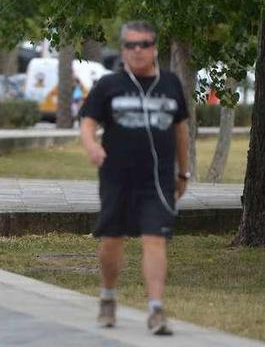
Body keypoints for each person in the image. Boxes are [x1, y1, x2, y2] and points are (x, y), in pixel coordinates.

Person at [79, 20, 190, 335]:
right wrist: (92, 146)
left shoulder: (170, 84)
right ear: (123, 49)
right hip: (116, 178)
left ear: (154, 48)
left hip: (157, 180)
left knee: (155, 239)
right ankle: (108, 296)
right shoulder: (109, 85)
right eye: (130, 45)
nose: (137, 50)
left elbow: (180, 129)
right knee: (112, 239)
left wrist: (184, 172)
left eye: (144, 44)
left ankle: (156, 310)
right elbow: (87, 123)